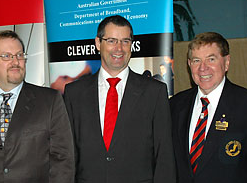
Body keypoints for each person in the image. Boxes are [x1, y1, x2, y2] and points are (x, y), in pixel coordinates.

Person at [63, 15, 176, 183]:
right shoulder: (74, 93)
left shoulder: (154, 91)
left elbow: (164, 154)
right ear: (97, 43)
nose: (119, 48)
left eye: (125, 41)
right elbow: (67, 152)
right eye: (111, 41)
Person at [0, 30, 74, 182]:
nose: (15, 61)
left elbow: (63, 160)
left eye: (19, 55)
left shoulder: (49, 101)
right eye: (7, 56)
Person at [170, 32, 247, 183]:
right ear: (189, 65)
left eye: (211, 59)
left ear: (226, 62)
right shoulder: (174, 105)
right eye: (196, 60)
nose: (203, 68)